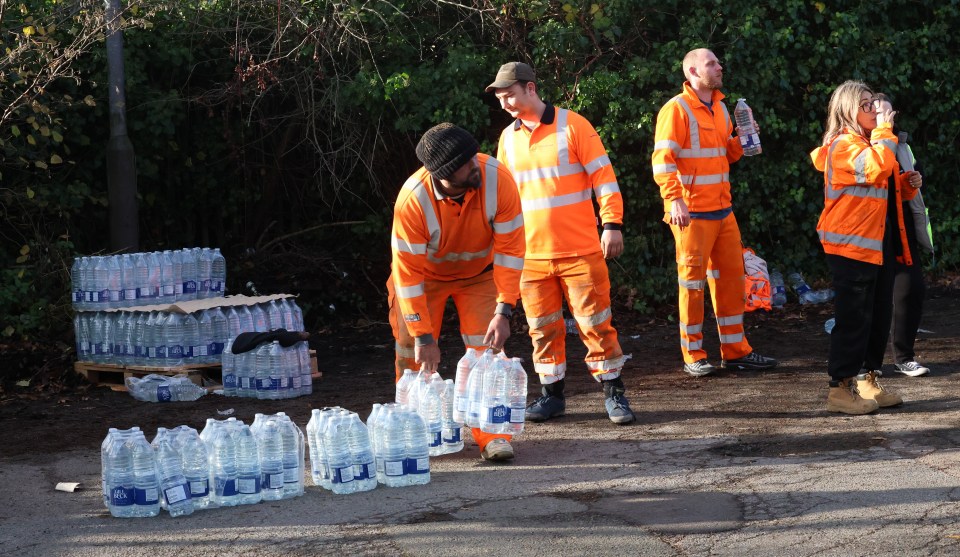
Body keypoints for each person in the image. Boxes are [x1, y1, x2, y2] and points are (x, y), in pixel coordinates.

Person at [486, 61, 635, 425]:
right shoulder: (508, 139)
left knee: (596, 323)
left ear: (530, 88)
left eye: (510, 95)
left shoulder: (574, 125)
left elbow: (604, 177)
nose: (505, 103)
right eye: (501, 98)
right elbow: (504, 197)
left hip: (580, 250)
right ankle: (552, 396)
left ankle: (614, 393)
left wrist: (612, 223)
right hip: (531, 257)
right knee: (541, 328)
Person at [388, 122, 526, 460]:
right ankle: (413, 432)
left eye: (473, 157)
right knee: (410, 351)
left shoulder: (498, 179)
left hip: (479, 274)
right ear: (444, 175)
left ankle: (492, 435)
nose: (475, 165)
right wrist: (423, 336)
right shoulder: (413, 200)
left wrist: (504, 309)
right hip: (425, 279)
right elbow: (407, 277)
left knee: (488, 351)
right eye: (466, 164)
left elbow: (511, 251)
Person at [651, 48, 778, 377]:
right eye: (711, 63)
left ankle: (735, 352)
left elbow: (725, 156)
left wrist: (741, 141)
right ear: (692, 71)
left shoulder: (722, 108)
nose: (719, 66)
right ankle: (693, 354)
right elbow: (662, 160)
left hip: (723, 211)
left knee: (733, 282)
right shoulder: (675, 109)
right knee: (691, 286)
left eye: (718, 62)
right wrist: (674, 199)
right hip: (691, 214)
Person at [810, 81, 921, 414]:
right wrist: (885, 130)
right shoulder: (844, 145)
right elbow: (875, 168)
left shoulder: (869, 143)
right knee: (854, 318)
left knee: (877, 315)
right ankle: (840, 390)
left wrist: (906, 185)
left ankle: (868, 380)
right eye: (866, 105)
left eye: (875, 103)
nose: (875, 110)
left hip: (875, 242)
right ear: (847, 111)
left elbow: (879, 186)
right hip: (850, 246)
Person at [876, 93, 933, 377]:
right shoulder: (866, 145)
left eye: (890, 113)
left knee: (911, 290)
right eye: (880, 114)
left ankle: (904, 357)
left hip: (903, 227)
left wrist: (915, 180)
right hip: (872, 230)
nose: (887, 119)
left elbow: (911, 181)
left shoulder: (903, 146)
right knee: (871, 297)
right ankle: (866, 365)